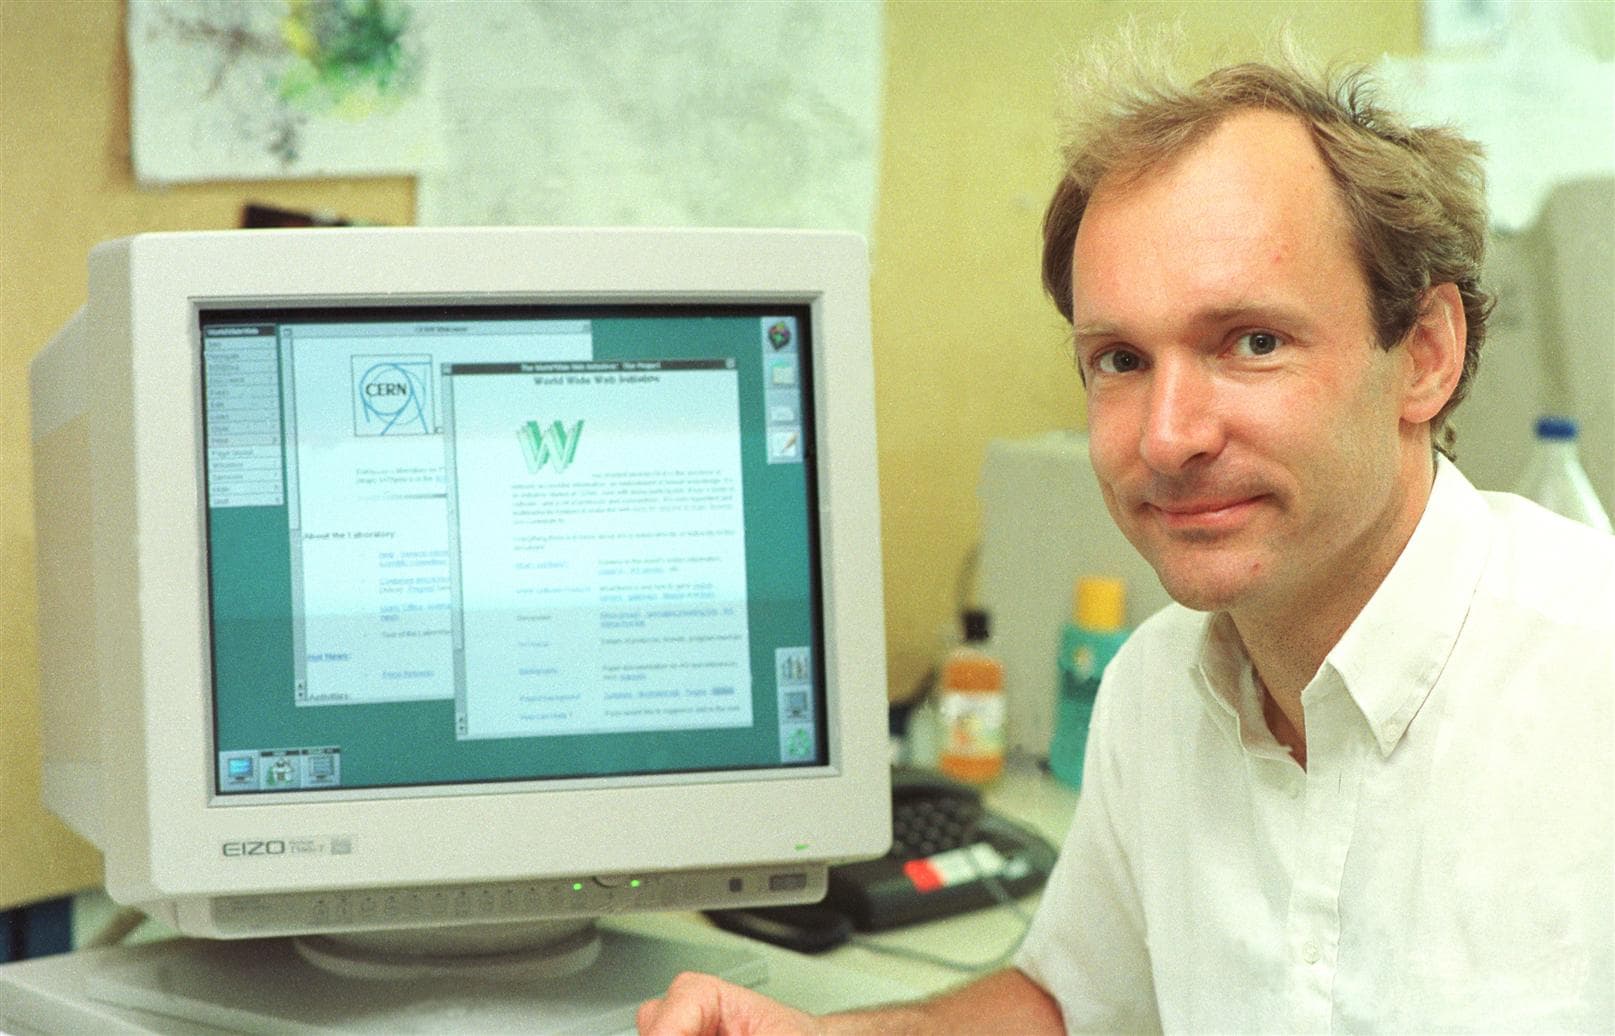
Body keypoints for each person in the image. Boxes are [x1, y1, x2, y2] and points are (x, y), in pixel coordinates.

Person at [638, 44, 1615, 1035]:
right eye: (1118, 358)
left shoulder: (1591, 685)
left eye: (1251, 341)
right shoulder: (1155, 692)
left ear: (1425, 356)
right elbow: (1068, 1003)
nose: (1166, 435)